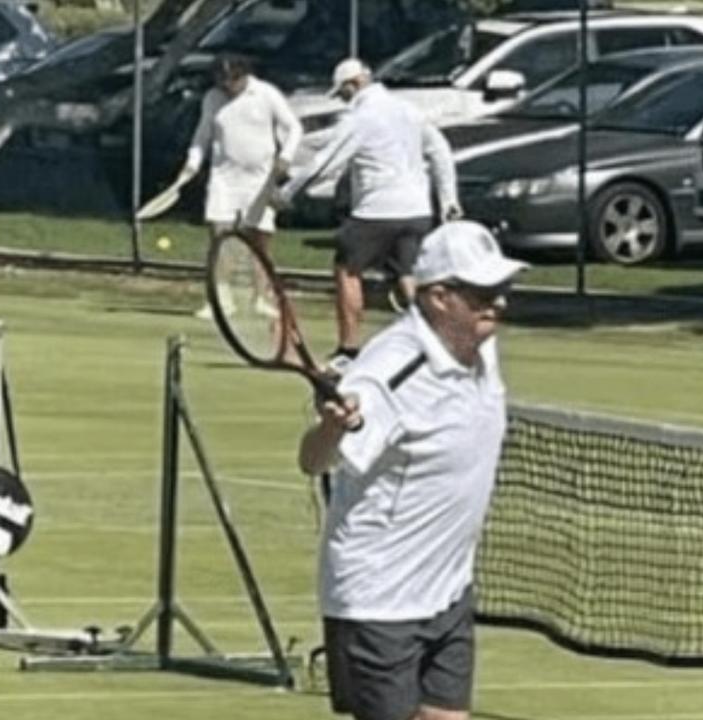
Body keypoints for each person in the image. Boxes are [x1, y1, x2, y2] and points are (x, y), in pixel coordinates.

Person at [297, 221, 525, 720]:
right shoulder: (391, 370)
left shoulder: (481, 345)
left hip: (449, 590)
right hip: (380, 599)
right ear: (440, 297)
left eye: (503, 290)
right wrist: (334, 428)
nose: (499, 304)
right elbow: (313, 461)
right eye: (484, 293)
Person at [277, 58, 461, 363]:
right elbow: (440, 151)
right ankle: (437, 343)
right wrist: (449, 199)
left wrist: (286, 193)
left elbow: (326, 162)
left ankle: (348, 349)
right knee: (408, 274)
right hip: (417, 210)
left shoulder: (361, 117)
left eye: (343, 93)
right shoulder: (408, 110)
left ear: (354, 85)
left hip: (376, 210)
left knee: (347, 271)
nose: (343, 100)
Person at [180, 54, 302, 319]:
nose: (227, 85)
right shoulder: (213, 98)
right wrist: (192, 163)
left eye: (232, 79)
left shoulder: (266, 93)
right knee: (220, 238)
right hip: (224, 178)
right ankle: (221, 301)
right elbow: (202, 136)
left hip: (260, 180)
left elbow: (293, 128)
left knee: (260, 241)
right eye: (222, 80)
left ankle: (262, 298)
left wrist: (286, 157)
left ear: (244, 74)